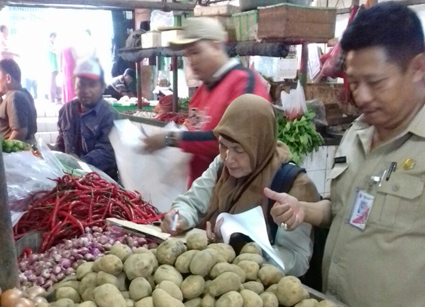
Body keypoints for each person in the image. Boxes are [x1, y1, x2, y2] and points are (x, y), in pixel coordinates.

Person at [266, 3, 425, 307]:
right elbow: (346, 210)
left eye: (375, 82)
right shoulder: (358, 133)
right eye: (353, 82)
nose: (361, 96)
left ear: (418, 69)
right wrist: (304, 209)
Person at [161, 94, 320, 276]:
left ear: (259, 145)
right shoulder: (221, 166)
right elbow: (191, 202)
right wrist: (178, 219)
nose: (229, 158)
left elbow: (297, 259)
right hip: (217, 273)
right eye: (223, 146)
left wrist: (243, 252)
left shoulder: (293, 185)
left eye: (239, 150)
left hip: (262, 290)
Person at [143, 18, 270, 187]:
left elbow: (233, 140)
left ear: (216, 46)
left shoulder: (244, 83)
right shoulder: (201, 92)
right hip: (202, 195)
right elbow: (196, 135)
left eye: (196, 52)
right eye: (187, 55)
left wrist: (171, 139)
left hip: (233, 195)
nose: (191, 62)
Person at [55, 58, 117, 180]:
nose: (85, 90)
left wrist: (76, 164)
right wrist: (55, 158)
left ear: (103, 87)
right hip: (70, 179)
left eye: (92, 85)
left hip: (101, 183)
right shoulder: (66, 110)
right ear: (74, 85)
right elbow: (61, 141)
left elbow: (106, 153)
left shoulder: (110, 116)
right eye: (81, 84)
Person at [0, 59, 37, 142]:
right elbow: (8, 117)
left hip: (16, 153)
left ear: (8, 78)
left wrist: (5, 149)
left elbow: (20, 132)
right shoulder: (23, 93)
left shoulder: (14, 97)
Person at [48, 33, 62, 104]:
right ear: (51, 37)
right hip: (52, 67)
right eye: (54, 37)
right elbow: (56, 52)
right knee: (53, 83)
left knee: (55, 83)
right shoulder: (48, 45)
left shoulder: (52, 45)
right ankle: (53, 98)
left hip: (55, 67)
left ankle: (57, 98)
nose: (55, 39)